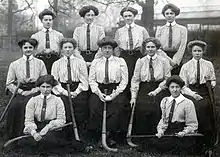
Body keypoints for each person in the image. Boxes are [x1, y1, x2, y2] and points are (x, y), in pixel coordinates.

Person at [23, 74, 85, 152]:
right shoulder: (33, 100)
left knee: (49, 139)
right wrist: (34, 133)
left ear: (52, 87)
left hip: (53, 128)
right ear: (39, 87)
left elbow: (61, 120)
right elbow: (28, 121)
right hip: (37, 127)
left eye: (48, 87)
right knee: (31, 142)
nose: (45, 90)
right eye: (43, 87)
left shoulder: (58, 100)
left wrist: (48, 127)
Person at [88, 36, 129, 146]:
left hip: (115, 89)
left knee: (117, 107)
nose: (107, 50)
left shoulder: (120, 61)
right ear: (100, 49)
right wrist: (98, 93)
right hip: (100, 88)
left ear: (113, 49)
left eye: (109, 48)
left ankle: (111, 136)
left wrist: (114, 95)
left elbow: (124, 81)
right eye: (104, 48)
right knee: (95, 105)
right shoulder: (95, 62)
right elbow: (91, 80)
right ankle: (99, 136)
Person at [5, 38, 47, 139]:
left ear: (34, 49)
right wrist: (20, 91)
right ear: (22, 49)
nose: (28, 50)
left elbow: (44, 80)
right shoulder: (14, 64)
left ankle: (29, 134)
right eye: (25, 47)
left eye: (30, 47)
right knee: (14, 106)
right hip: (20, 90)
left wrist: (36, 89)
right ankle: (13, 135)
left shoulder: (40, 63)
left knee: (28, 105)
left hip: (36, 89)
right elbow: (9, 83)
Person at [179, 40, 216, 154]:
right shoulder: (186, 66)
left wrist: (211, 83)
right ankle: (194, 140)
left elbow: (213, 79)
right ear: (191, 52)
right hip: (191, 91)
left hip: (205, 90)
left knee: (206, 108)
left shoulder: (208, 64)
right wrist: (193, 94)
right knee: (195, 108)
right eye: (195, 51)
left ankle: (208, 139)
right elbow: (183, 86)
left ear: (203, 52)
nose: (197, 53)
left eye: (199, 51)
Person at [130, 37, 171, 135]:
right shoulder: (140, 61)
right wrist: (133, 97)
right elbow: (135, 80)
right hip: (145, 87)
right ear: (145, 48)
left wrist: (157, 90)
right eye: (148, 47)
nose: (150, 49)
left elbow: (167, 78)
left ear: (156, 48)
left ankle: (158, 134)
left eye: (153, 47)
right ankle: (144, 136)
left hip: (160, 87)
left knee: (158, 107)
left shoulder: (164, 61)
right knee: (142, 107)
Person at [51, 38, 89, 140]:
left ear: (74, 49)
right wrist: (65, 92)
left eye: (70, 47)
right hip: (62, 89)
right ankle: (65, 136)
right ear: (62, 49)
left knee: (80, 108)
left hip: (77, 88)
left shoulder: (80, 62)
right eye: (65, 47)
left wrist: (76, 92)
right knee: (64, 108)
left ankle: (79, 135)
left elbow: (84, 80)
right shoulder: (56, 64)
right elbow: (54, 82)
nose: (67, 50)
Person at [115, 7, 149, 93]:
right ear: (123, 17)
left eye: (130, 15)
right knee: (125, 78)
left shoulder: (141, 30)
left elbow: (148, 43)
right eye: (125, 16)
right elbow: (116, 47)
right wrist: (119, 57)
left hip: (138, 55)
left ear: (134, 16)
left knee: (138, 77)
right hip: (124, 56)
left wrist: (144, 57)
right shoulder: (119, 31)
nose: (128, 18)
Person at [155, 3, 187, 75]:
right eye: (167, 13)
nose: (169, 15)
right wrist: (168, 60)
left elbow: (182, 46)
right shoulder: (160, 29)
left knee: (176, 81)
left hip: (177, 57)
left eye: (171, 13)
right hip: (163, 57)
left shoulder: (182, 29)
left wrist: (175, 62)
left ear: (175, 14)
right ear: (164, 15)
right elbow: (158, 47)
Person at [31, 9, 64, 74]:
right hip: (40, 61)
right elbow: (32, 52)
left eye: (50, 20)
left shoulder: (59, 35)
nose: (48, 22)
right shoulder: (35, 36)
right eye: (46, 20)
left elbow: (62, 51)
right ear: (41, 21)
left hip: (55, 61)